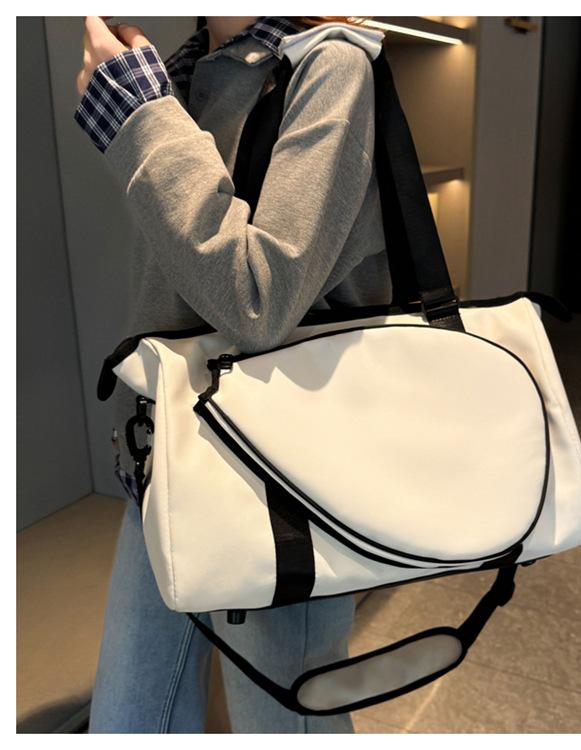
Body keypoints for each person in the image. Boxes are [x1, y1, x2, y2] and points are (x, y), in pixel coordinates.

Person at [73, 15, 391, 733]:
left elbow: (257, 297)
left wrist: (143, 122)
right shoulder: (179, 73)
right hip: (166, 456)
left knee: (286, 725)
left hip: (279, 481)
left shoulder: (331, 66)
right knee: (128, 721)